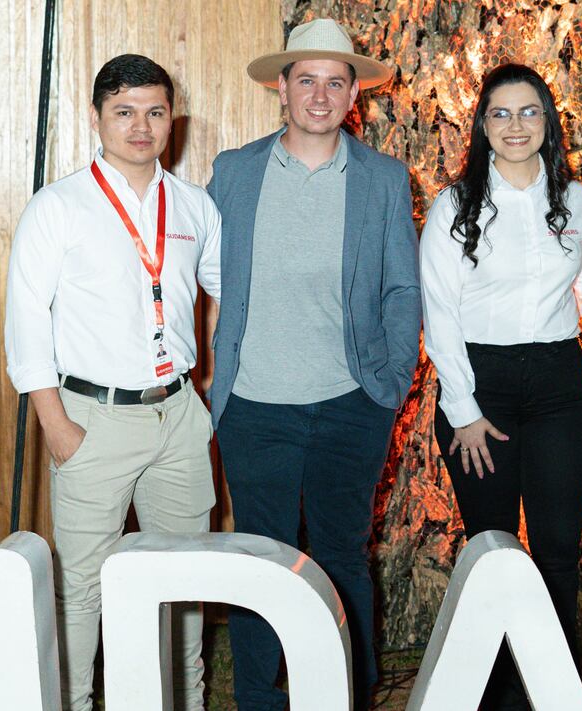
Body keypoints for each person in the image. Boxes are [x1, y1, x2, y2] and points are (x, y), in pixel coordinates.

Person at [206, 18, 421, 711]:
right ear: (282, 87)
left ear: (354, 92)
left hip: (349, 404)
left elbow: (401, 289)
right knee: (260, 562)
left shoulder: (384, 180)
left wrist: (384, 388)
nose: (320, 95)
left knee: (341, 555)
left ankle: (344, 696)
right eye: (307, 80)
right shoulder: (233, 173)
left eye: (335, 81)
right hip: (254, 406)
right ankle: (262, 702)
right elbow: (203, 279)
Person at [4, 55, 220, 711]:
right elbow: (23, 322)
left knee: (184, 582)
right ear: (96, 116)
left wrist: (203, 386)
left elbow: (220, 295)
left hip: (178, 417)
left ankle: (181, 700)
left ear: (171, 120)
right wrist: (55, 424)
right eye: (124, 111)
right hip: (89, 418)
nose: (140, 126)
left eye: (155, 112)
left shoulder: (194, 206)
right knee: (82, 588)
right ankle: (72, 700)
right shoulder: (59, 206)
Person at [420, 63, 582, 710]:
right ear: (482, 125)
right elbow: (438, 311)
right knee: (493, 548)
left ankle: (549, 689)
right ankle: (494, 694)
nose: (516, 125)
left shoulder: (576, 201)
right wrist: (462, 409)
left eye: (529, 112)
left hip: (556, 381)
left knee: (557, 548)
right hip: (480, 388)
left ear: (547, 122)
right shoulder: (455, 206)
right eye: (501, 113)